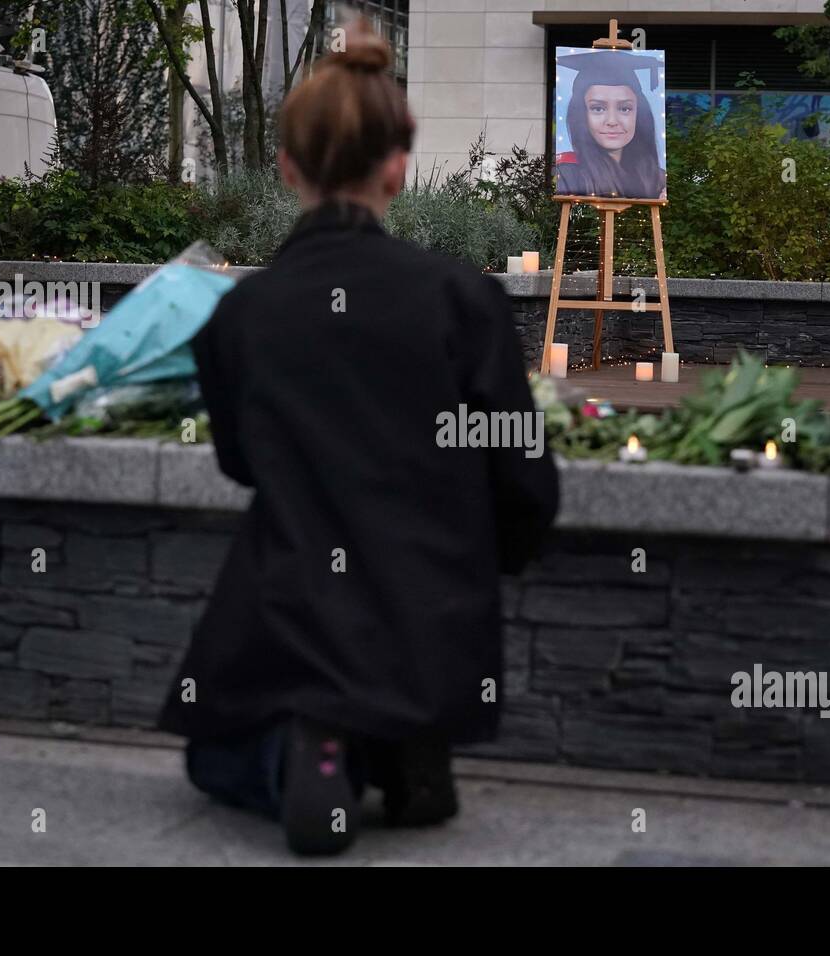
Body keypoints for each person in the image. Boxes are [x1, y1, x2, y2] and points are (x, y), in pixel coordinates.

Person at [157, 22, 559, 857]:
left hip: (296, 607)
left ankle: (322, 749)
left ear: (286, 167)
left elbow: (239, 462)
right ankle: (396, 743)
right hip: (434, 621)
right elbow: (525, 480)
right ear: (398, 166)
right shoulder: (460, 299)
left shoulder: (239, 316)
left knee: (211, 759)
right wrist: (482, 560)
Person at [554, 49, 667, 200]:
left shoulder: (656, 178)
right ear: (581, 115)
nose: (612, 121)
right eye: (598, 108)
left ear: (638, 114)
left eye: (625, 108)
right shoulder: (567, 174)